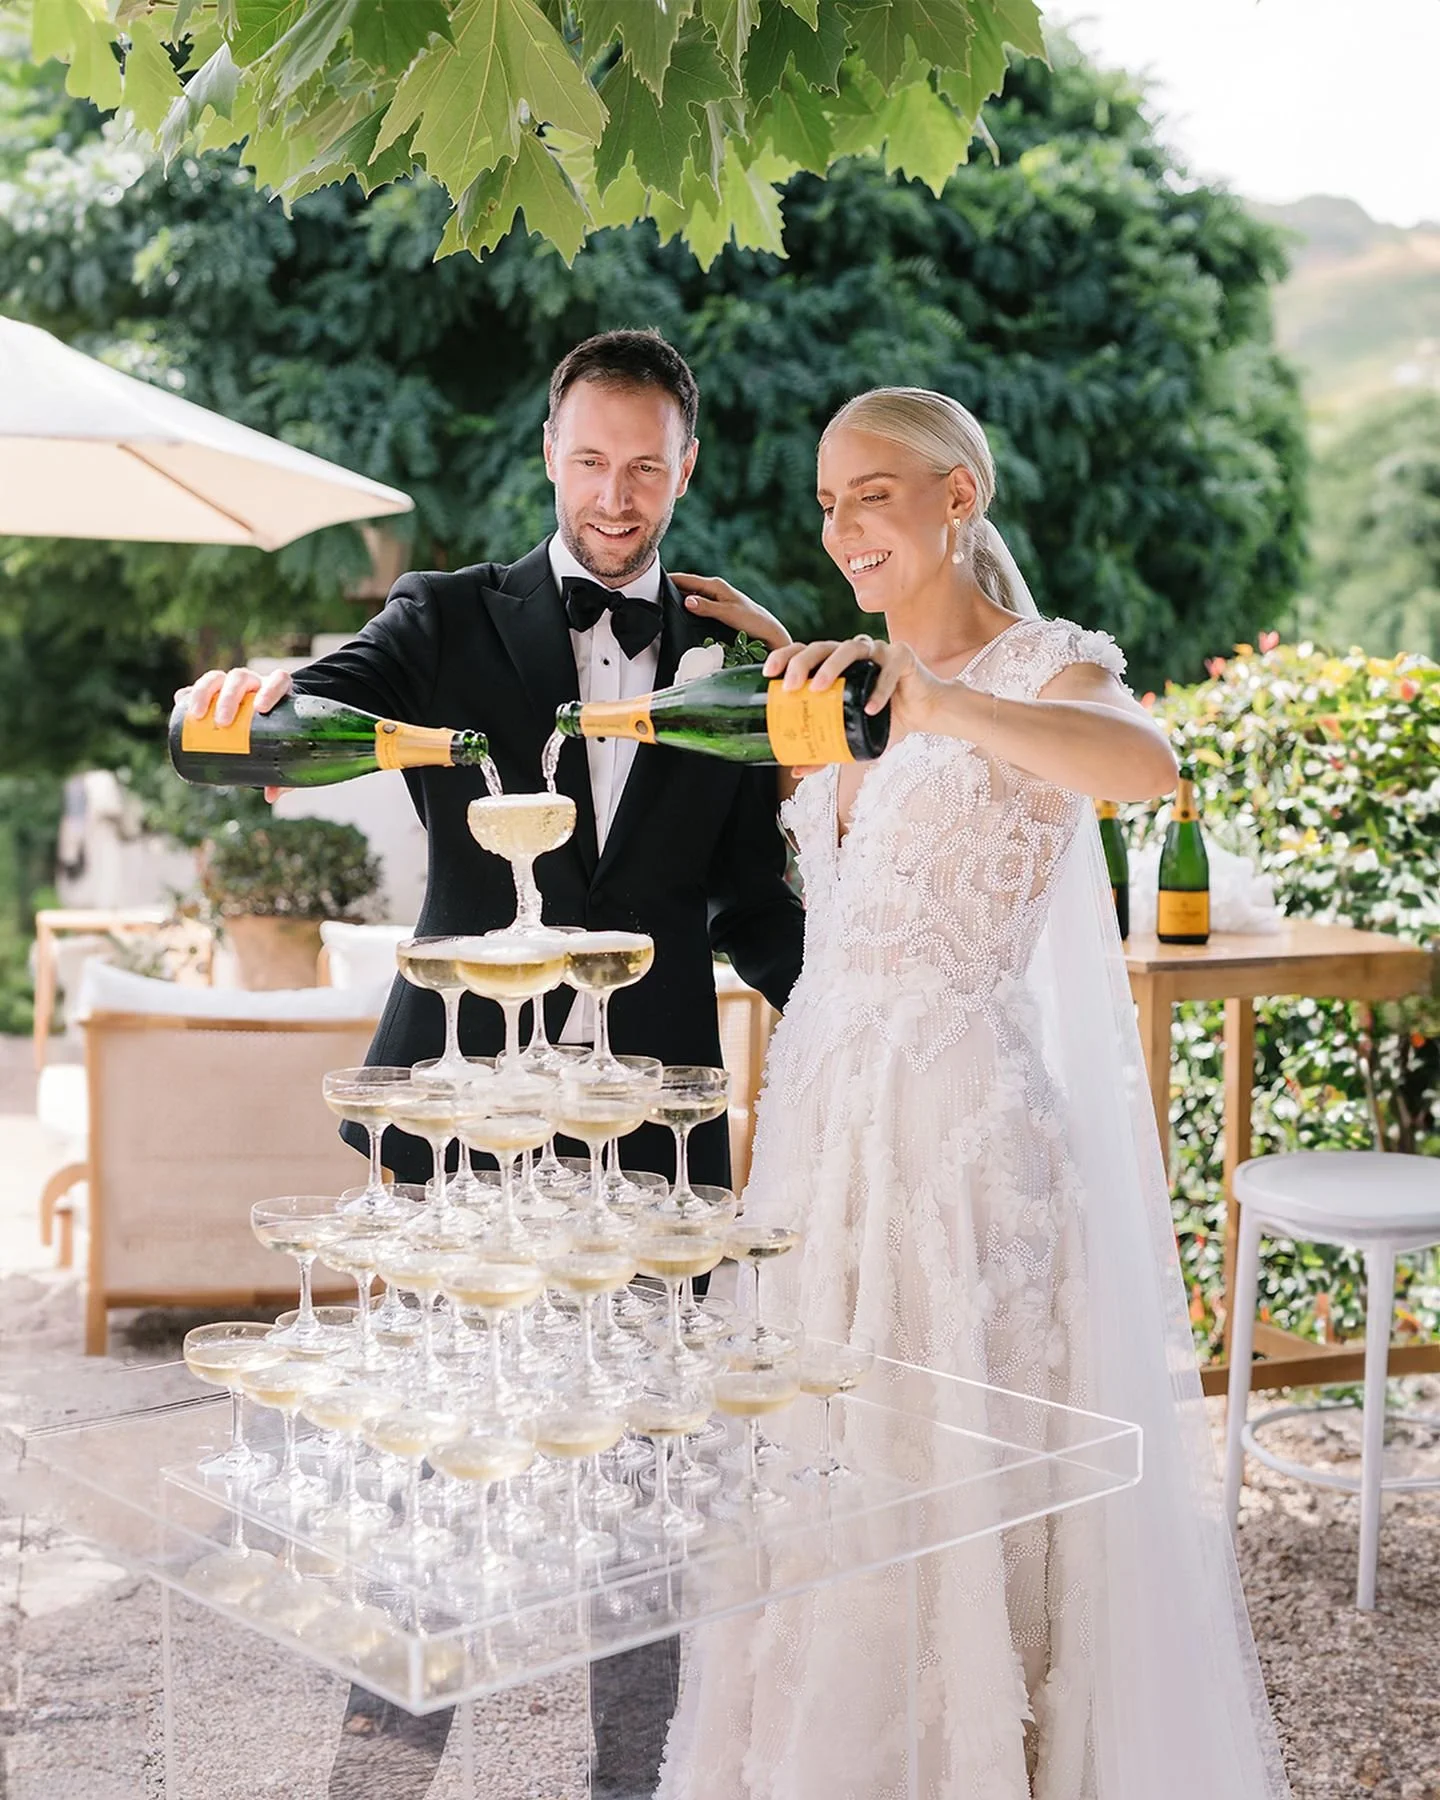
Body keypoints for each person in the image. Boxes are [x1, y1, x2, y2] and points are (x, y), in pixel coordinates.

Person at [180, 329, 807, 1800]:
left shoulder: (728, 661)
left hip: (651, 1137)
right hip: (461, 1126)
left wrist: (873, 1008)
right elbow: (301, 722)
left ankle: (629, 1784)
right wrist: (260, 703)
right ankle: (375, 1782)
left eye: (646, 464)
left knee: (643, 1487)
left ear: (687, 467)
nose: (616, 492)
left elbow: (752, 907)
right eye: (591, 458)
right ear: (548, 452)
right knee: (428, 1473)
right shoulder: (445, 617)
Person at [654, 388, 1292, 1799]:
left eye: (870, 495)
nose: (842, 529)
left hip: (962, 1148)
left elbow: (1146, 764)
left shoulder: (1044, 666)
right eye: (826, 505)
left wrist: (950, 702)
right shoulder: (858, 691)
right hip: (822, 1144)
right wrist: (798, 670)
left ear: (957, 497)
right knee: (823, 1474)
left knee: (953, 1484)